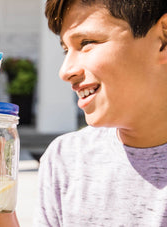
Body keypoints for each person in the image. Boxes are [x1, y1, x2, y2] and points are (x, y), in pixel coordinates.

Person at [35, 0, 167, 226]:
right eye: (66, 50)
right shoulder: (65, 159)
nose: (65, 71)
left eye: (86, 43)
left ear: (163, 37)